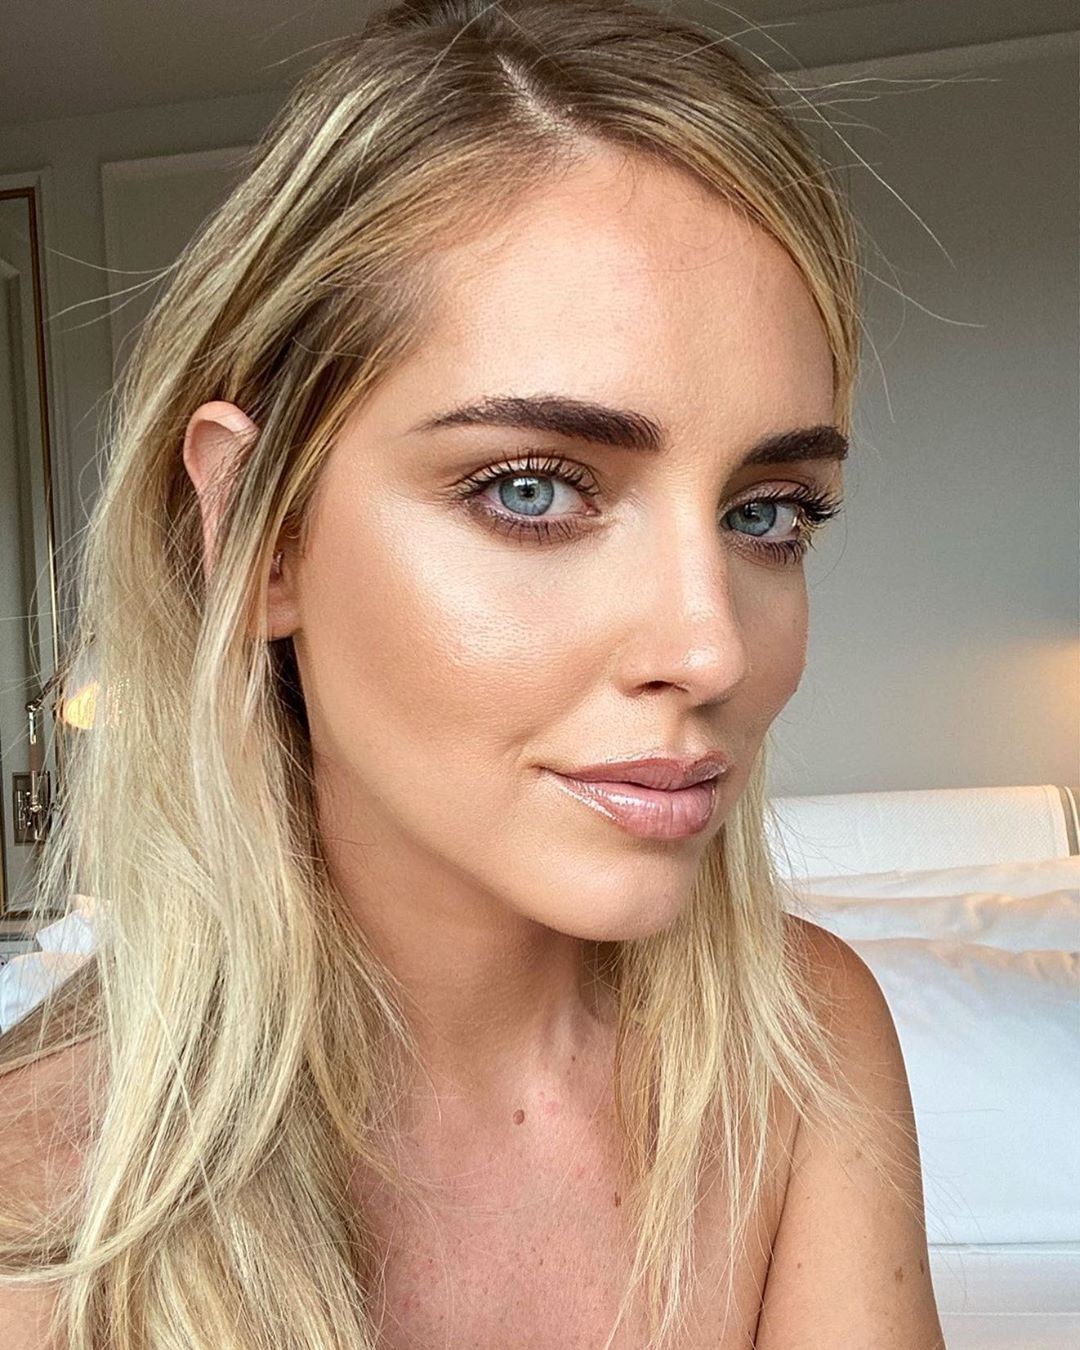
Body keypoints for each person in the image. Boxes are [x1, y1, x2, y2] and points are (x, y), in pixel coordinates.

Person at [0, 1, 945, 1346]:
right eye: (531, 489)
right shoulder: (34, 1218)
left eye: (766, 512)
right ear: (259, 536)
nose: (712, 648)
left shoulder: (805, 1045)